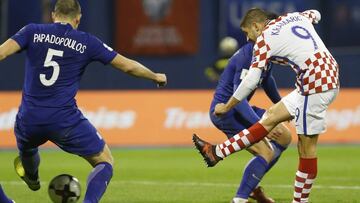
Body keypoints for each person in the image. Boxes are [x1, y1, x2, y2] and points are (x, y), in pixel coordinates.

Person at [0, 0, 166, 202]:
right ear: (78, 19)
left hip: (29, 118)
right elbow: (128, 66)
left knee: (27, 148)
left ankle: (32, 176)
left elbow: (1, 52)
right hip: (64, 120)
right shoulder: (87, 41)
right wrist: (155, 76)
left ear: (53, 15)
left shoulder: (32, 31)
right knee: (105, 161)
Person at [193, 8, 339, 203]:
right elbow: (316, 13)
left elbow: (251, 80)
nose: (247, 39)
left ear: (256, 26)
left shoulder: (264, 40)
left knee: (306, 148)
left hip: (315, 83)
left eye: (247, 33)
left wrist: (227, 106)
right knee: (271, 117)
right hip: (323, 74)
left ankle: (297, 201)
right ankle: (217, 152)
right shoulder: (294, 16)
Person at [202, 38, 292, 203]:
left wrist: (283, 108)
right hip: (228, 112)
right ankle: (240, 199)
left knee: (284, 136)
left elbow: (267, 80)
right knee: (266, 151)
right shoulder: (247, 56)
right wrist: (262, 126)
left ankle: (252, 187)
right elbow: (239, 98)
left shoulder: (265, 53)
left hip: (240, 109)